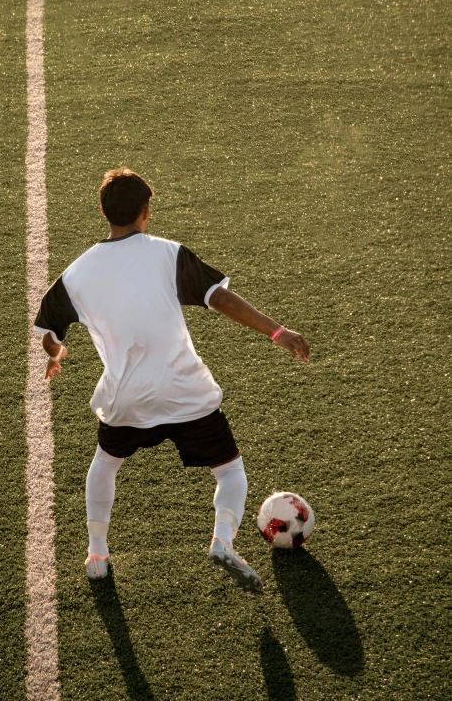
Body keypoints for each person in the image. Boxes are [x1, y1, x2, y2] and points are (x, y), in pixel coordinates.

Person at [33, 167, 310, 594]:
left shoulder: (76, 274)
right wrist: (278, 331)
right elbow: (219, 298)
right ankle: (222, 540)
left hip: (126, 397)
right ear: (146, 212)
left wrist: (56, 355)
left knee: (105, 463)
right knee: (231, 472)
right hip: (185, 390)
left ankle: (96, 555)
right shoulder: (167, 253)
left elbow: (48, 331)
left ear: (103, 211)